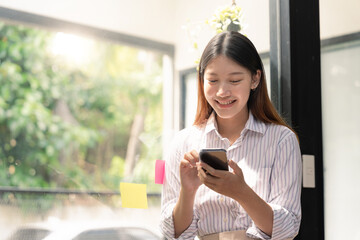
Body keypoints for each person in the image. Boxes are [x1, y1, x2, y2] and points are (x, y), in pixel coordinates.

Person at [160, 31, 302, 240]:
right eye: (213, 80)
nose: (222, 92)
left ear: (255, 79)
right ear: (202, 81)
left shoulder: (281, 140)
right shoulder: (183, 143)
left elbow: (288, 228)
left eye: (234, 81)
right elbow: (172, 234)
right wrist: (187, 192)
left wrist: (242, 192)